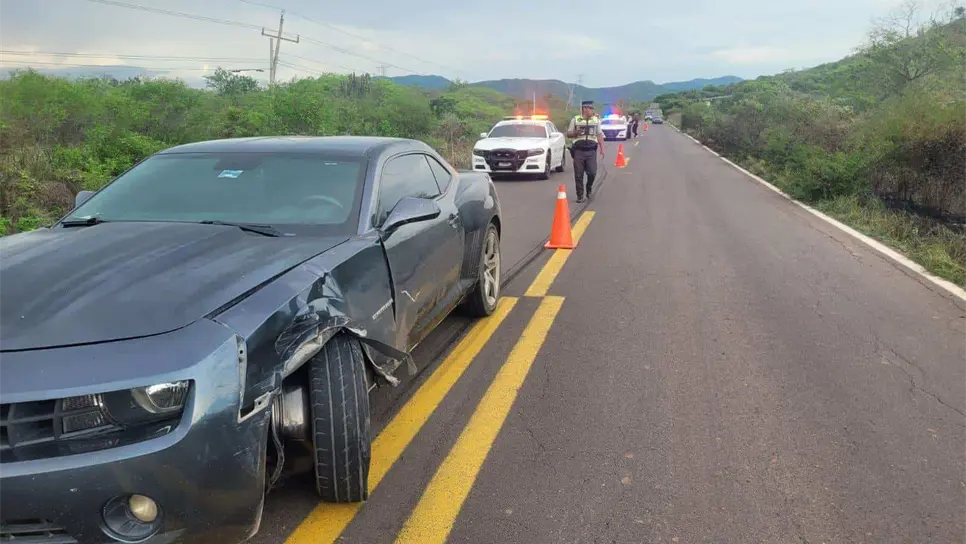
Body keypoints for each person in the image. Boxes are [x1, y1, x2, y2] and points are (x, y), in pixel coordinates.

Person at [566, 100, 605, 203]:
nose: (592, 111)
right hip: (579, 151)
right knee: (578, 175)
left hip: (591, 151)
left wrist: (602, 148)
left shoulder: (596, 120)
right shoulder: (576, 119)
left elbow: (599, 135)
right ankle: (580, 196)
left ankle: (589, 188)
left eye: (592, 109)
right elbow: (568, 134)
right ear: (585, 109)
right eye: (590, 109)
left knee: (592, 173)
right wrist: (575, 133)